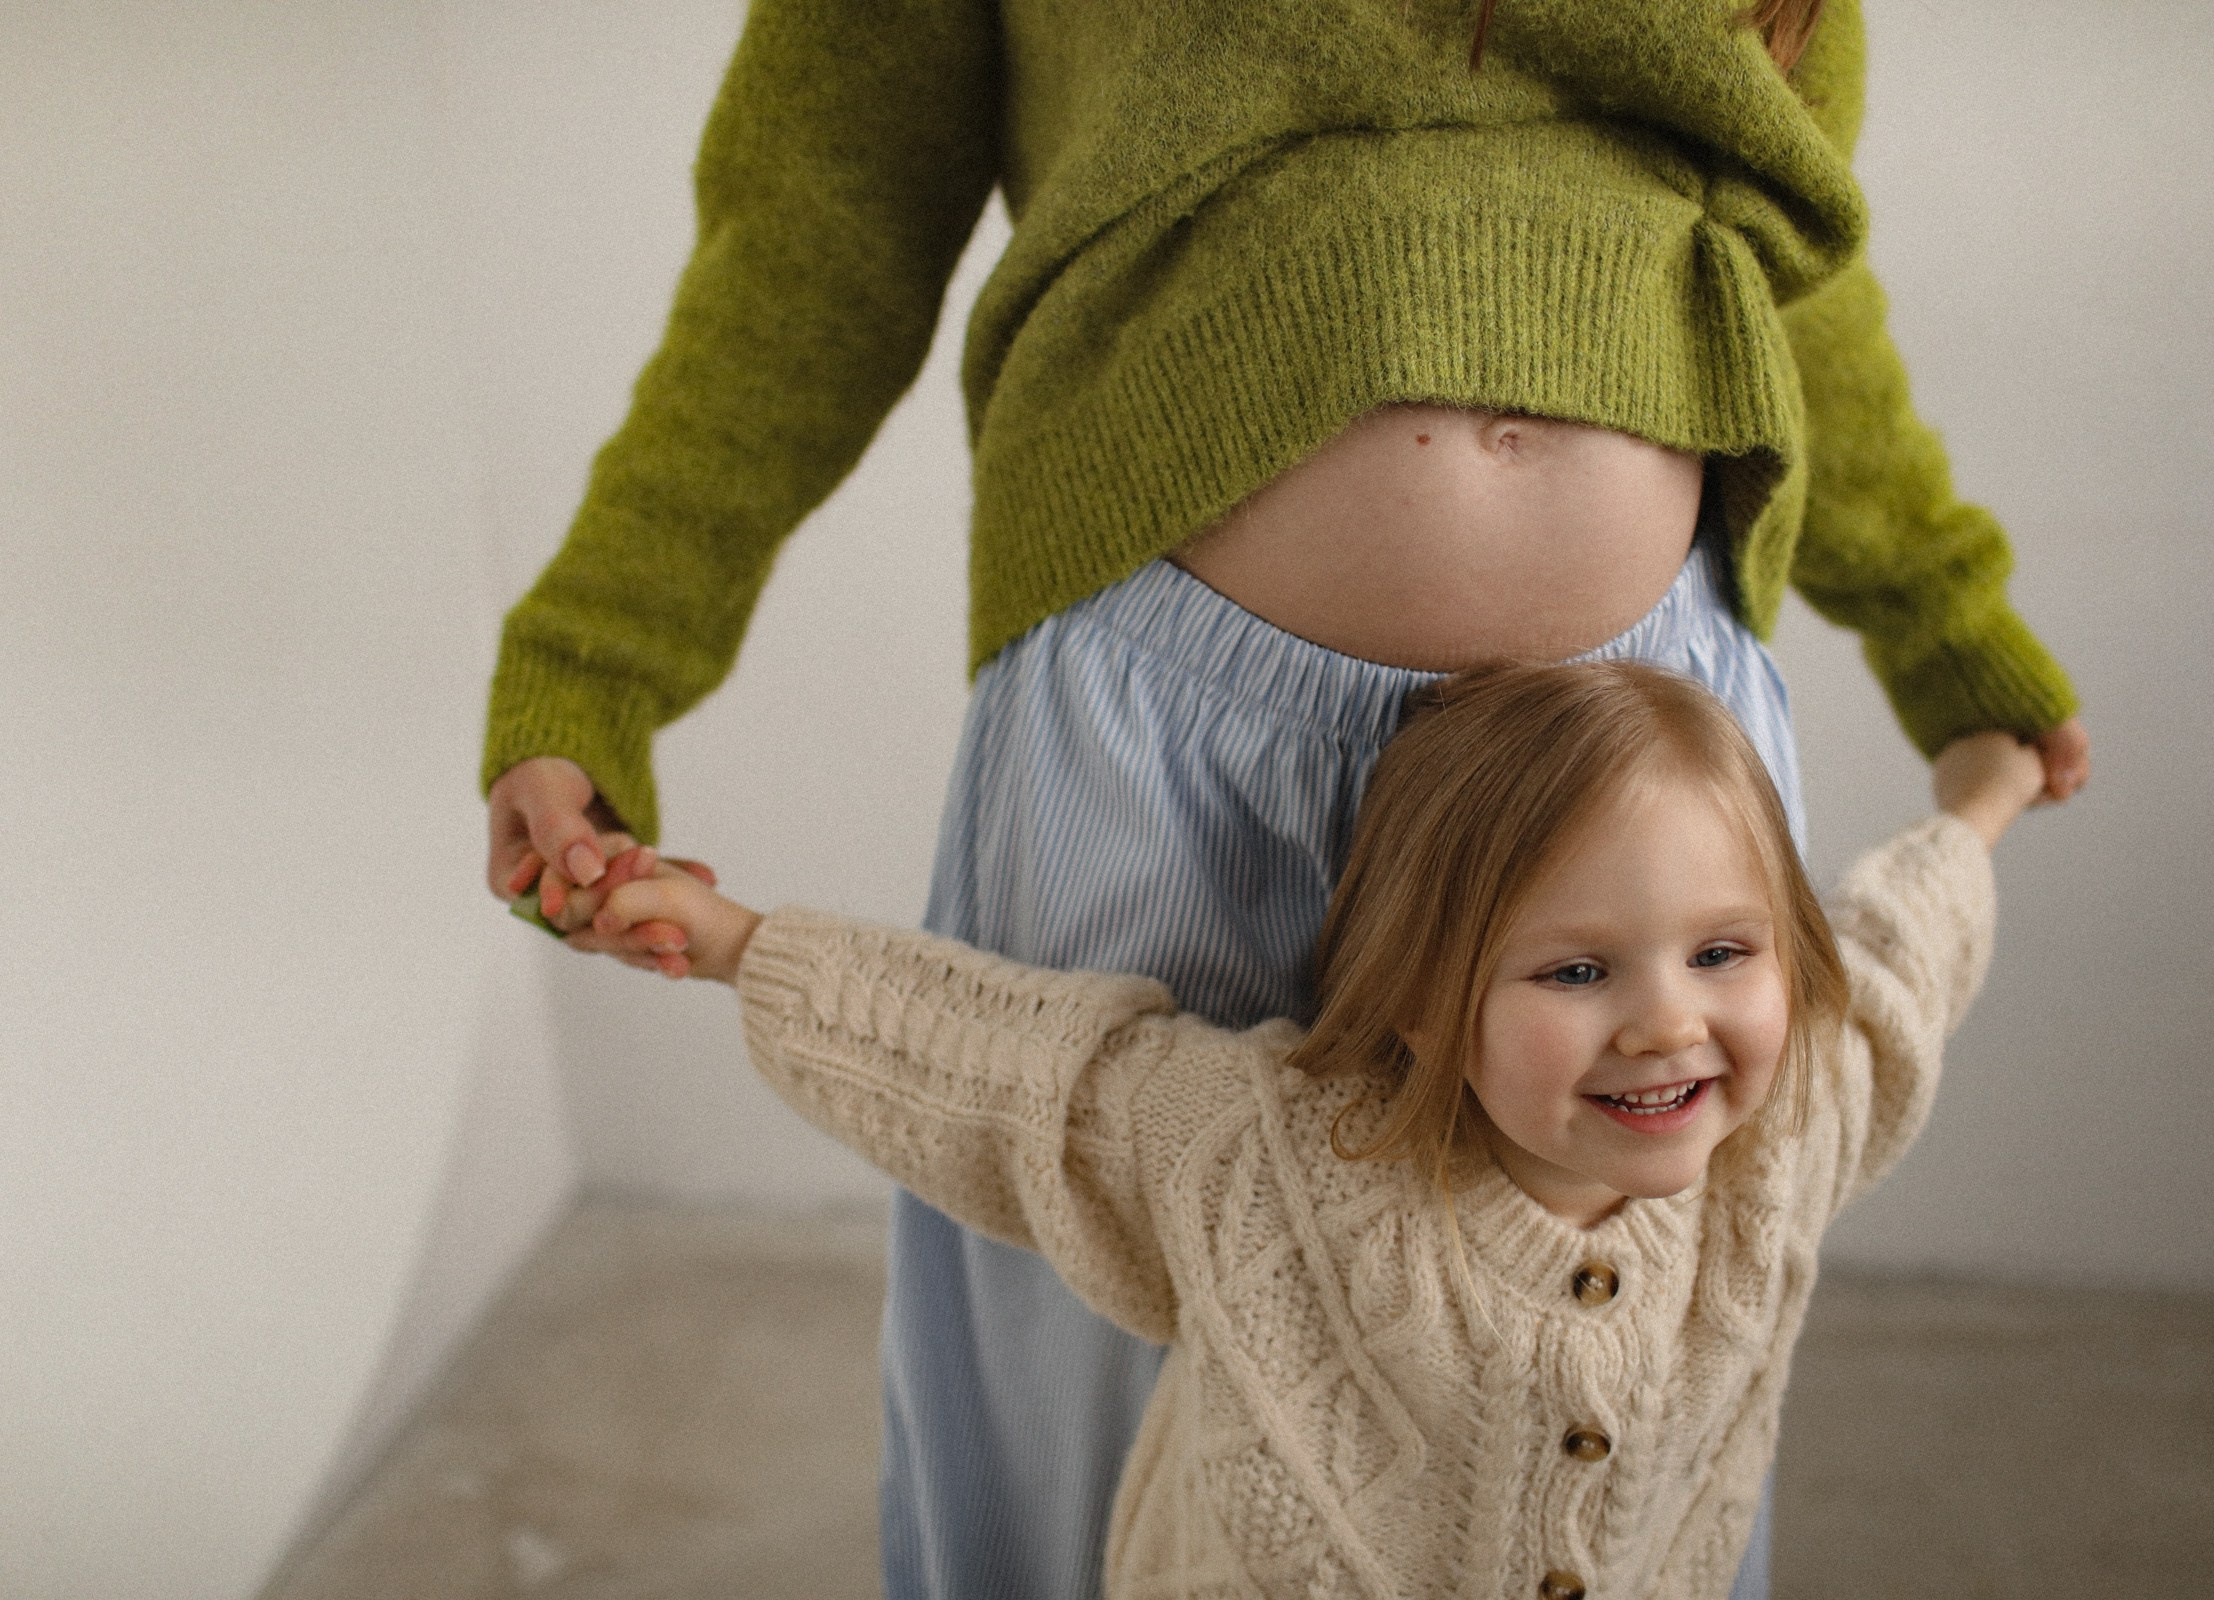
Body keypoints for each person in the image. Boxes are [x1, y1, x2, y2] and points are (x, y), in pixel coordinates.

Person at [481, 3, 2089, 1593]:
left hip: (1653, 766)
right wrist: (598, 657)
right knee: (1093, 1347)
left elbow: (1782, 230)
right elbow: (815, 225)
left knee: (1625, 1395)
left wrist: (1950, 626)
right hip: (1173, 756)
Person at [559, 660, 2049, 1599]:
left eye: (1723, 953)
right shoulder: (1267, 1156)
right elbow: (1009, 1069)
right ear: (1421, 998)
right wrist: (744, 941)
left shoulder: (1786, 1125)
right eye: (1577, 971)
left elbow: (1900, 944)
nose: (1668, 1021)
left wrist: (1984, 798)